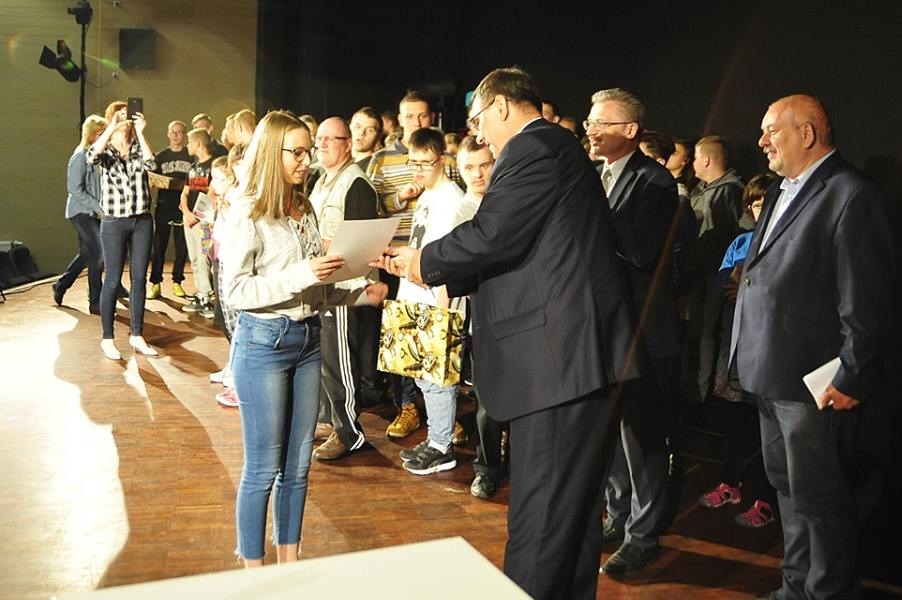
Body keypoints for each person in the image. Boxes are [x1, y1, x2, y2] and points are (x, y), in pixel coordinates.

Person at [374, 67, 639, 600]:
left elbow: (494, 234)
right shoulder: (553, 148)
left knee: (542, 521)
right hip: (572, 361)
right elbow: (524, 249)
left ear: (501, 106)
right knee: (569, 519)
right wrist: (432, 267)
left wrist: (423, 261)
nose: (478, 133)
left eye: (478, 120)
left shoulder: (533, 147)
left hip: (559, 363)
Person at [731, 94, 893, 599]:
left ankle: (829, 592)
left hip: (813, 379)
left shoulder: (852, 193)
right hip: (769, 369)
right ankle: (795, 587)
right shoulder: (781, 189)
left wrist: (852, 374)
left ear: (807, 133)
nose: (761, 141)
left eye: (771, 131)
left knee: (820, 499)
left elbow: (867, 296)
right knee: (787, 488)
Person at [222, 110, 387, 567]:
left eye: (308, 151)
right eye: (296, 152)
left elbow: (317, 287)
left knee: (298, 467)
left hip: (309, 338)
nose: (306, 160)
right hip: (263, 343)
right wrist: (303, 273)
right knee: (262, 469)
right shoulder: (247, 209)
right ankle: (254, 575)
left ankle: (289, 565)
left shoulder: (304, 207)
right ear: (270, 151)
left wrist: (360, 293)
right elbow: (236, 292)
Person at [587, 88, 679, 576]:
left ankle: (643, 536)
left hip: (643, 329)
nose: (591, 129)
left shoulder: (655, 181)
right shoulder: (597, 176)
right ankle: (617, 516)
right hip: (603, 325)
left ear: (630, 129)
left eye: (601, 122)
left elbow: (643, 251)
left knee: (642, 438)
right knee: (611, 431)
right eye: (589, 121)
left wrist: (593, 207)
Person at [391, 127, 471, 476]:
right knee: (423, 378)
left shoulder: (453, 200)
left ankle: (442, 445)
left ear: (442, 160)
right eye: (413, 162)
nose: (418, 169)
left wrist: (444, 305)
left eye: (425, 163)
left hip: (436, 298)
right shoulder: (426, 194)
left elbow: (452, 257)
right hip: (414, 292)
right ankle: (435, 437)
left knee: (438, 378)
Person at [700, 173, 777, 529]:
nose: (759, 208)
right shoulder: (741, 241)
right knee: (734, 422)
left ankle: (764, 498)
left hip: (768, 350)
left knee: (766, 429)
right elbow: (724, 284)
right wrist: (742, 280)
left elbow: (762, 287)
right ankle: (730, 484)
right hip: (733, 344)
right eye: (754, 202)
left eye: (765, 201)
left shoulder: (781, 239)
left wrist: (744, 281)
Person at [305, 117, 379, 461]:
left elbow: (360, 246)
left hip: (344, 287)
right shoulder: (321, 180)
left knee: (340, 362)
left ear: (347, 144)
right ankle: (329, 419)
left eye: (329, 139)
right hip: (321, 285)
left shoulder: (357, 183)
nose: (321, 144)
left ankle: (349, 433)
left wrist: (322, 246)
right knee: (324, 360)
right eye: (318, 138)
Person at [454, 135, 505, 498]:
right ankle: (487, 468)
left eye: (484, 165)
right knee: (486, 400)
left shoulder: (509, 201)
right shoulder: (461, 212)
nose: (477, 174)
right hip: (483, 318)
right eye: (469, 167)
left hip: (519, 314)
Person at [86, 102, 158, 360]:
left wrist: (141, 132)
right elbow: (91, 157)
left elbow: (153, 165)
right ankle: (108, 338)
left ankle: (137, 334)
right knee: (113, 278)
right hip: (114, 222)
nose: (126, 120)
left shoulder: (138, 146)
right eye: (121, 116)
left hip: (141, 220)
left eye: (129, 116)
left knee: (139, 279)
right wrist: (111, 127)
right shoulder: (106, 149)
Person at [53, 115, 107, 314]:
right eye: (101, 134)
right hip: (81, 212)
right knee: (99, 254)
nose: (105, 138)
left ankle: (61, 285)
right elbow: (74, 188)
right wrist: (97, 207)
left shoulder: (100, 156)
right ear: (92, 135)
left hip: (94, 212)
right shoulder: (80, 156)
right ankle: (95, 301)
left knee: (87, 253)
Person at [147, 120, 191, 300]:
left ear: (184, 134)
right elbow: (152, 178)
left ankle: (177, 281)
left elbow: (198, 180)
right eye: (172, 131)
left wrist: (183, 186)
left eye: (179, 132)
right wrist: (161, 182)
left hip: (183, 205)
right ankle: (155, 283)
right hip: (164, 204)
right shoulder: (161, 156)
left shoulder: (191, 155)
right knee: (159, 245)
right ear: (167, 133)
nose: (175, 135)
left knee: (181, 245)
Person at [179, 128, 216, 318]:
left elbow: (212, 195)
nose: (187, 145)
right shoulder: (192, 168)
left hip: (205, 223)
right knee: (194, 258)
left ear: (198, 143)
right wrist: (186, 212)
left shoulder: (214, 166)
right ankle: (201, 293)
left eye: (190, 142)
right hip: (189, 221)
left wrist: (197, 216)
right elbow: (185, 193)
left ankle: (207, 297)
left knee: (204, 258)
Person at [349, 106, 383, 171]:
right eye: (357, 127)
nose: (362, 133)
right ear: (349, 127)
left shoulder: (376, 168)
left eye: (370, 130)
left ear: (379, 136)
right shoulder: (338, 162)